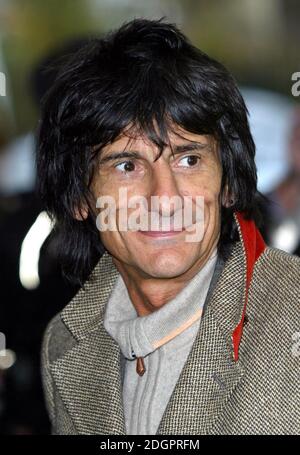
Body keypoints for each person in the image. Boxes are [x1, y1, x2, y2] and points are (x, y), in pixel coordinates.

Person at [37, 18, 300, 435]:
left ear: (228, 183)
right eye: (126, 165)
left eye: (189, 159)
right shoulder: (65, 343)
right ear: (79, 199)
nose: (164, 198)